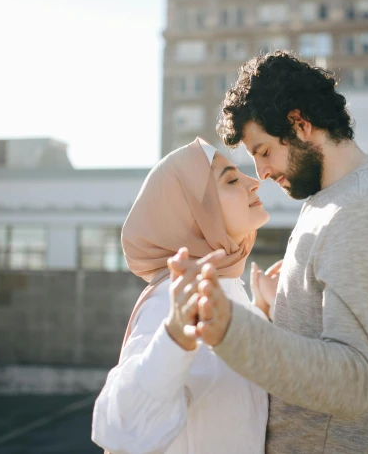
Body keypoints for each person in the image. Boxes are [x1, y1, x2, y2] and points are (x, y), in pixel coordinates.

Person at [175, 51, 368, 453]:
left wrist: (233, 329)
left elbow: (353, 383)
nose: (263, 173)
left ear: (300, 125)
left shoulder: (359, 212)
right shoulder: (327, 201)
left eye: (264, 151)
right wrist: (282, 312)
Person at [91, 137, 278, 454]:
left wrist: (262, 312)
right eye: (231, 179)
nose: (255, 182)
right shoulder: (170, 301)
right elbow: (120, 428)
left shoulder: (228, 290)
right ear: (195, 213)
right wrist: (176, 333)